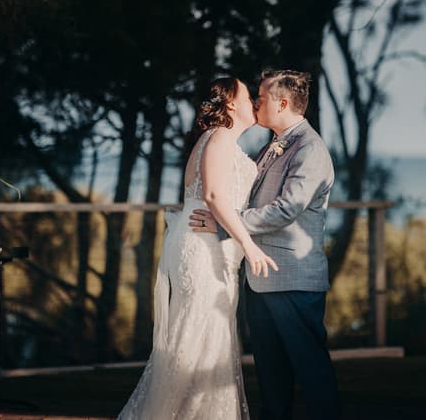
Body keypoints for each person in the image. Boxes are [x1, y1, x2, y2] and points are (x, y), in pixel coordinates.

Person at [117, 77, 277, 420]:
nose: (255, 102)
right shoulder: (218, 137)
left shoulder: (217, 140)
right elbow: (214, 196)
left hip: (206, 242)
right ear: (231, 103)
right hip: (202, 250)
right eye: (249, 96)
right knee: (200, 334)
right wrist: (250, 245)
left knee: (207, 334)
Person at [192, 69, 341, 420]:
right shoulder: (271, 146)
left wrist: (227, 224)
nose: (256, 103)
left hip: (293, 279)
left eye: (262, 97)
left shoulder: (310, 149)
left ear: (283, 102)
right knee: (271, 376)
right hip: (260, 278)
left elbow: (286, 209)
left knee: (311, 371)